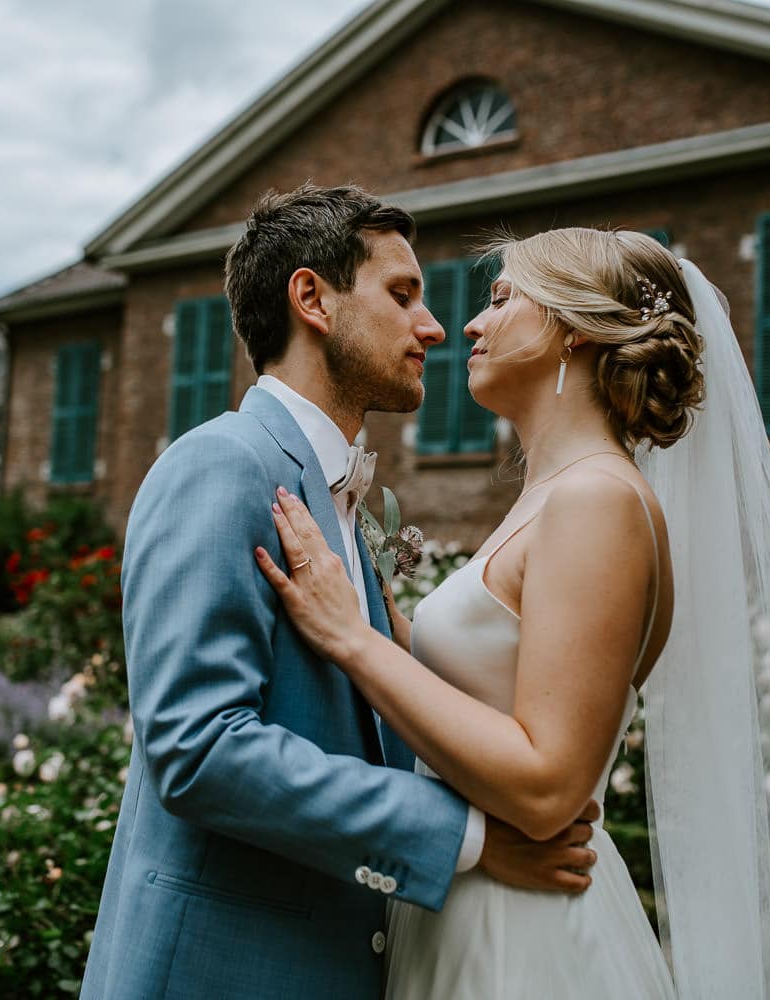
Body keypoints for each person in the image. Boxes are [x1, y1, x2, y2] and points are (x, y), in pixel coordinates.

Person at [257, 227, 770, 998]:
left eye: (503, 298)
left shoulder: (597, 501)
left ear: (574, 328)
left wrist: (351, 638)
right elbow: (479, 686)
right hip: (467, 904)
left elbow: (548, 786)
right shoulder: (553, 495)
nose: (469, 324)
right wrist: (361, 595)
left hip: (523, 933)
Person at [79, 186, 601, 1000]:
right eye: (402, 295)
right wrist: (466, 839)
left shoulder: (343, 509)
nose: (433, 327)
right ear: (312, 299)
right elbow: (199, 748)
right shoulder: (222, 465)